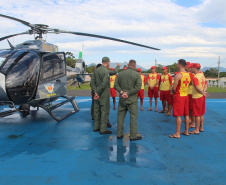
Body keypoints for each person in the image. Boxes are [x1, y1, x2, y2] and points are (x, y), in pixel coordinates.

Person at [90, 57, 119, 134]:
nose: (109, 63)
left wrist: (95, 92)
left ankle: (96, 127)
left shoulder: (95, 71)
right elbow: (104, 83)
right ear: (106, 62)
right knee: (104, 111)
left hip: (96, 94)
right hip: (103, 94)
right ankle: (103, 129)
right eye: (109, 62)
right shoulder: (105, 71)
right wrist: (99, 92)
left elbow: (92, 83)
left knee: (96, 110)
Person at [114, 59, 142, 141]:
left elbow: (115, 85)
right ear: (135, 66)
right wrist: (128, 93)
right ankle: (133, 136)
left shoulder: (120, 74)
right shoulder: (137, 75)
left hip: (122, 99)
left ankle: (119, 134)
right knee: (133, 117)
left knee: (120, 117)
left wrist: (122, 92)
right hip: (132, 100)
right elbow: (138, 87)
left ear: (128, 64)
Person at [169, 59, 191, 138]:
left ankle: (177, 133)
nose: (177, 65)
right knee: (186, 114)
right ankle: (186, 131)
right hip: (185, 96)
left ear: (180, 65)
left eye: (177, 64)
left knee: (178, 115)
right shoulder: (188, 74)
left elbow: (174, 88)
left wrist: (171, 89)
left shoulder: (178, 75)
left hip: (179, 96)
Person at [189, 63, 208, 134]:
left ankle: (196, 129)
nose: (190, 69)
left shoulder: (196, 77)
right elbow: (206, 84)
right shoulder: (202, 75)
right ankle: (201, 127)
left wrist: (202, 92)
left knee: (197, 114)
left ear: (194, 68)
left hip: (197, 96)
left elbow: (197, 87)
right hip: (202, 97)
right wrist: (204, 91)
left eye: (191, 68)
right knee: (201, 114)